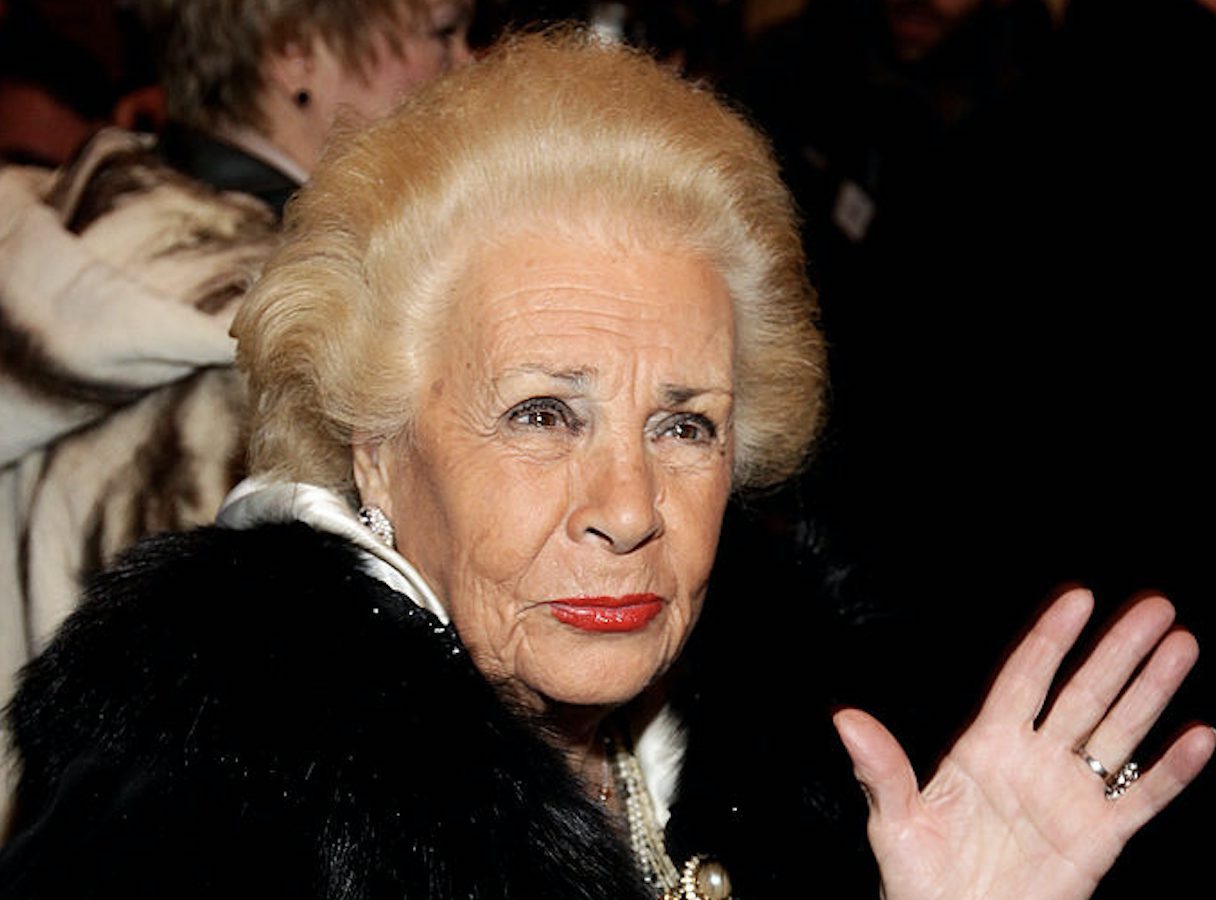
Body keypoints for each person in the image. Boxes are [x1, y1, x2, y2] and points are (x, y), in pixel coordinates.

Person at [1, 30, 1210, 898]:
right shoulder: (212, 799)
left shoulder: (795, 749)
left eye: (684, 426)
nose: (630, 509)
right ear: (375, 441)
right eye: (541, 414)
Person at [0, 0, 472, 824]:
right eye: (441, 31)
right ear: (295, 53)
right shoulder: (285, 352)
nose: (467, 63)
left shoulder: (65, 247)